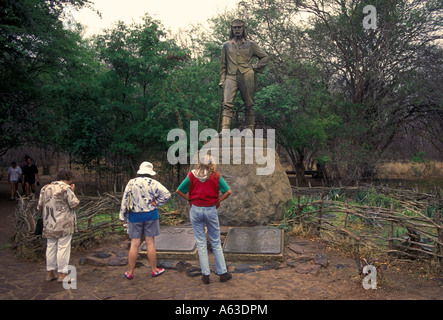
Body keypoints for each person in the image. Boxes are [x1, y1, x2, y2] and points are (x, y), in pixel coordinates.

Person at [176, 155, 232, 284]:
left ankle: (205, 274)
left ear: (200, 163)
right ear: (212, 163)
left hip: (196, 209)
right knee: (216, 242)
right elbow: (228, 191)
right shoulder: (216, 175)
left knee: (201, 243)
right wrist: (218, 200)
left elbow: (179, 190)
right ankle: (223, 273)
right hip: (210, 209)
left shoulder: (192, 175)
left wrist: (189, 199)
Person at [119, 161, 171, 280]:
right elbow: (167, 195)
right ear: (150, 172)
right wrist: (156, 203)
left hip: (135, 216)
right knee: (150, 243)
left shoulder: (131, 183)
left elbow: (125, 200)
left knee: (134, 244)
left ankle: (130, 272)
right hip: (151, 216)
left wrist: (123, 217)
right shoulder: (154, 183)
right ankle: (154, 270)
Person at [219, 19, 269, 131]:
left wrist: (255, 67)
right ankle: (225, 129)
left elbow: (265, 57)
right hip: (231, 76)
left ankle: (250, 129)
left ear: (243, 29)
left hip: (247, 75)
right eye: (235, 28)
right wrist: (222, 80)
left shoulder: (251, 44)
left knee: (249, 103)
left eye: (239, 27)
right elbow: (223, 65)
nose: (237, 30)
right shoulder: (226, 46)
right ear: (231, 29)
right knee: (227, 103)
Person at [37, 169, 80, 283]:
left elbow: (40, 206)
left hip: (49, 223)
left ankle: (50, 273)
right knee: (63, 248)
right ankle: (62, 274)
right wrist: (73, 191)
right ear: (69, 179)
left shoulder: (45, 188)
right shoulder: (66, 188)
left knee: (50, 247)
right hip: (63, 224)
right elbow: (74, 204)